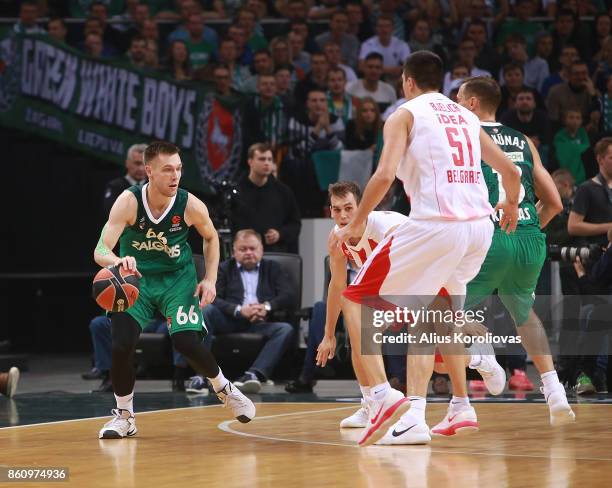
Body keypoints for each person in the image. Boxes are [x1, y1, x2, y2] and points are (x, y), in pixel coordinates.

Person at [330, 51, 522, 447]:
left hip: (437, 226)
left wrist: (357, 220)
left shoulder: (404, 114)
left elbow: (384, 176)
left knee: (355, 301)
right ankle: (449, 402)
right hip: (479, 232)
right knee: (432, 318)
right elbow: (511, 172)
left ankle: (382, 396)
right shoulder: (467, 116)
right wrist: (513, 204)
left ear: (407, 81)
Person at [93, 141, 255, 438]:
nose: (175, 176)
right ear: (149, 171)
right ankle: (125, 416)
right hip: (136, 280)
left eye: (179, 169)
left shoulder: (189, 204)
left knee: (185, 342)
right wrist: (118, 261)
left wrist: (210, 278)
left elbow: (211, 238)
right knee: (121, 345)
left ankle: (224, 388)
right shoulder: (128, 202)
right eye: (168, 169)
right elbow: (101, 249)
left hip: (177, 279)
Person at [456, 76, 575, 429]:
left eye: (460, 100)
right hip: (528, 237)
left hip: (490, 235)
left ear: (473, 103)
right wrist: (527, 227)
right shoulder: (523, 140)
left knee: (439, 311)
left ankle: (482, 355)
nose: (457, 106)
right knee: (524, 314)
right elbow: (554, 201)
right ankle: (554, 392)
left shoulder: (465, 134)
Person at [200, 230, 296, 393]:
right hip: (229, 321)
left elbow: (288, 295)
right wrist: (238, 310)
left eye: (252, 248)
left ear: (261, 249)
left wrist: (266, 307)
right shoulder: (223, 269)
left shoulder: (273, 268)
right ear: (234, 251)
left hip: (260, 322)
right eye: (243, 249)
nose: (248, 253)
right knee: (207, 310)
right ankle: (203, 375)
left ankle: (254, 375)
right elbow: (212, 297)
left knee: (285, 329)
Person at [232, 143, 301, 253]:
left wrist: (280, 234)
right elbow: (230, 224)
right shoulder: (236, 191)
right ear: (250, 162)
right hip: (244, 253)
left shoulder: (283, 192)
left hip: (275, 253)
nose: (267, 163)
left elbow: (295, 224)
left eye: (270, 159)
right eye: (262, 159)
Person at [103, 144, 147, 215]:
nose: (141, 168)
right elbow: (111, 211)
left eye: (144, 164)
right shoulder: (115, 186)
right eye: (137, 163)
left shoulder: (155, 188)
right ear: (127, 163)